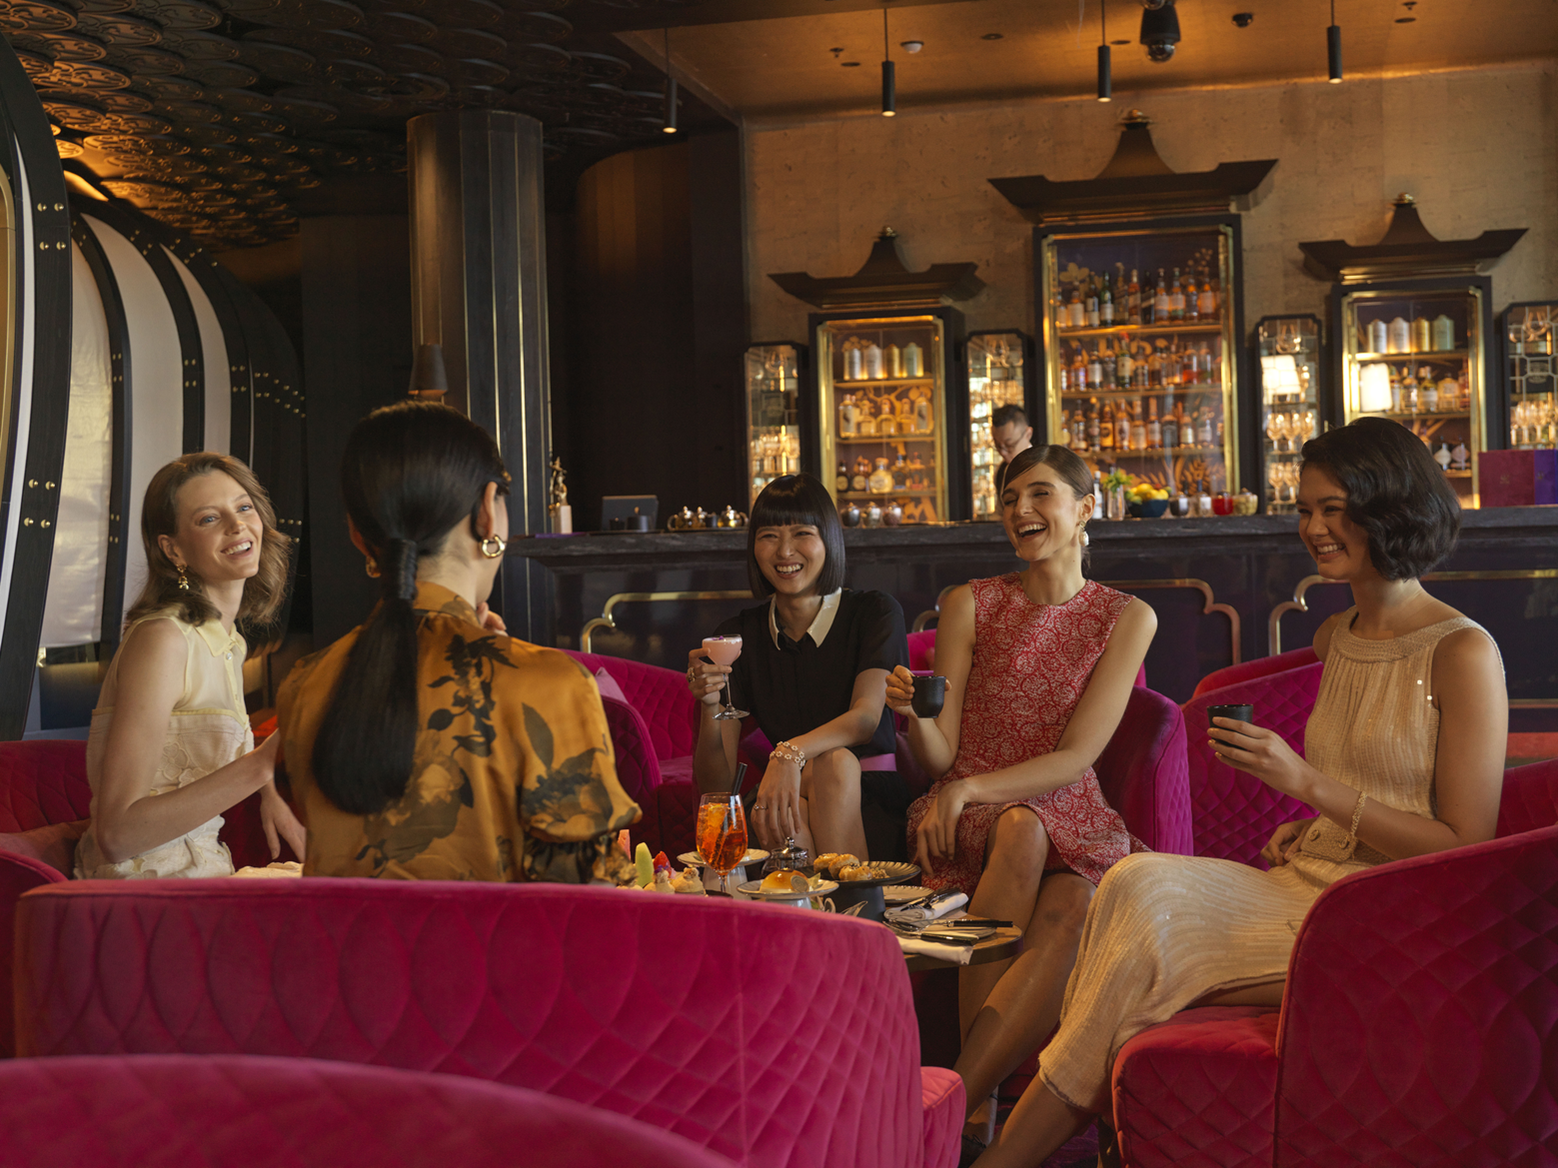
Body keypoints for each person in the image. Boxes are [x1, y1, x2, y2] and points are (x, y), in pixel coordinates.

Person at [976, 417, 1507, 1167]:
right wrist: (1311, 823)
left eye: (1333, 509)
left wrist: (1307, 785)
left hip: (1388, 909)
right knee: (1134, 879)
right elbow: (1366, 788)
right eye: (1305, 509)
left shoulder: (1462, 650)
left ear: (1390, 510)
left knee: (1139, 950)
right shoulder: (1336, 635)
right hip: (1307, 878)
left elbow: (1466, 846)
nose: (1313, 528)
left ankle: (993, 1142)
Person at [886, 443, 1156, 1159]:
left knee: (1074, 905)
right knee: (1020, 830)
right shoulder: (969, 602)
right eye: (1009, 498)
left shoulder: (1127, 616)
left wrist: (969, 787)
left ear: (1085, 508)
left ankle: (961, 1107)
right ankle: (969, 1112)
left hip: (1069, 810)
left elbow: (1077, 758)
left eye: (1039, 494)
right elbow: (941, 757)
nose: (1020, 510)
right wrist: (915, 716)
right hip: (974, 814)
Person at [276, 402, 638, 882]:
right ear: (488, 512)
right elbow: (594, 897)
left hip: (339, 936)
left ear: (357, 536)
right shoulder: (549, 685)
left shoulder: (305, 685)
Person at [74, 453, 301, 879]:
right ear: (173, 549)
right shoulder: (163, 639)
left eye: (244, 507)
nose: (237, 525)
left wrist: (271, 795)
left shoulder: (230, 643)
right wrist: (267, 762)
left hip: (204, 871)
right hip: (142, 887)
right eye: (209, 518)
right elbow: (117, 836)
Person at [689, 473, 908, 860]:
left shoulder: (874, 612)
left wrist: (788, 754)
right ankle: (849, 897)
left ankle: (827, 899)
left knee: (834, 764)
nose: (784, 551)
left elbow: (864, 720)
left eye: (802, 534)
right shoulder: (739, 637)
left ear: (828, 541)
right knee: (792, 810)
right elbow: (717, 787)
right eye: (769, 536)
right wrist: (709, 706)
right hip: (786, 797)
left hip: (869, 797)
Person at [990, 404, 1034, 486]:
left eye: (1009, 445)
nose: (1003, 453)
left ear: (1028, 434)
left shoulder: (1040, 468)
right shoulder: (1000, 471)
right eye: (998, 446)